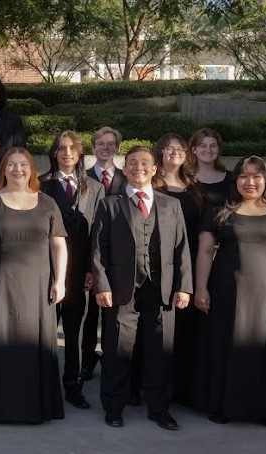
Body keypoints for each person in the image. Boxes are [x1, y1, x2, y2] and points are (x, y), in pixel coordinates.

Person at [195, 156, 266, 427]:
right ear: (235, 181)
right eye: (243, 176)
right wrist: (200, 288)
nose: (250, 182)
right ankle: (223, 406)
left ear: (265, 180)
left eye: (256, 176)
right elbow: (205, 251)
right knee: (226, 347)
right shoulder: (219, 210)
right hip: (226, 293)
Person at [0, 148, 67, 424]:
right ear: (3, 170)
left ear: (31, 169)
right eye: (11, 165)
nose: (17, 169)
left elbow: (58, 245)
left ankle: (34, 406)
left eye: (23, 165)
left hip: (37, 287)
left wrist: (60, 280)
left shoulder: (47, 203)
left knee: (33, 345)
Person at [91, 146, 192, 430]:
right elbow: (98, 249)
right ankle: (113, 407)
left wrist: (184, 286)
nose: (139, 167)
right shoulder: (110, 204)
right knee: (118, 349)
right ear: (124, 169)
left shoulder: (171, 205)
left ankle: (159, 408)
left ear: (155, 168)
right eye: (132, 163)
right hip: (122, 289)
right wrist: (102, 284)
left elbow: (182, 247)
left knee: (160, 350)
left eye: (145, 163)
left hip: (162, 290)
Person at [39, 131, 105, 409]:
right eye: (61, 148)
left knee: (75, 331)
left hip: (80, 271)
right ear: (54, 153)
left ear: (80, 154)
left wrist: (93, 268)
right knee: (45, 329)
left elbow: (99, 232)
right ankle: (42, 382)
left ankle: (73, 385)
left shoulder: (95, 187)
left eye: (73, 148)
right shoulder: (41, 185)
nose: (67, 153)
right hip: (48, 268)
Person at [152, 133, 208, 410]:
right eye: (168, 148)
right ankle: (153, 388)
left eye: (180, 149)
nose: (174, 152)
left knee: (186, 331)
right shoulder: (151, 185)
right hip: (157, 266)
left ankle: (181, 389)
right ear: (159, 152)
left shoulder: (194, 188)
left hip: (189, 265)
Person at [189, 128, 231, 209]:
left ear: (218, 149)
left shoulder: (232, 179)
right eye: (203, 146)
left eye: (213, 146)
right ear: (194, 150)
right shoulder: (184, 179)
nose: (208, 150)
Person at [86, 126, 126, 196]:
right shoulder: (83, 177)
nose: (105, 148)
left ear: (117, 148)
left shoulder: (126, 178)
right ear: (93, 148)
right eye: (100, 144)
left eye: (110, 144)